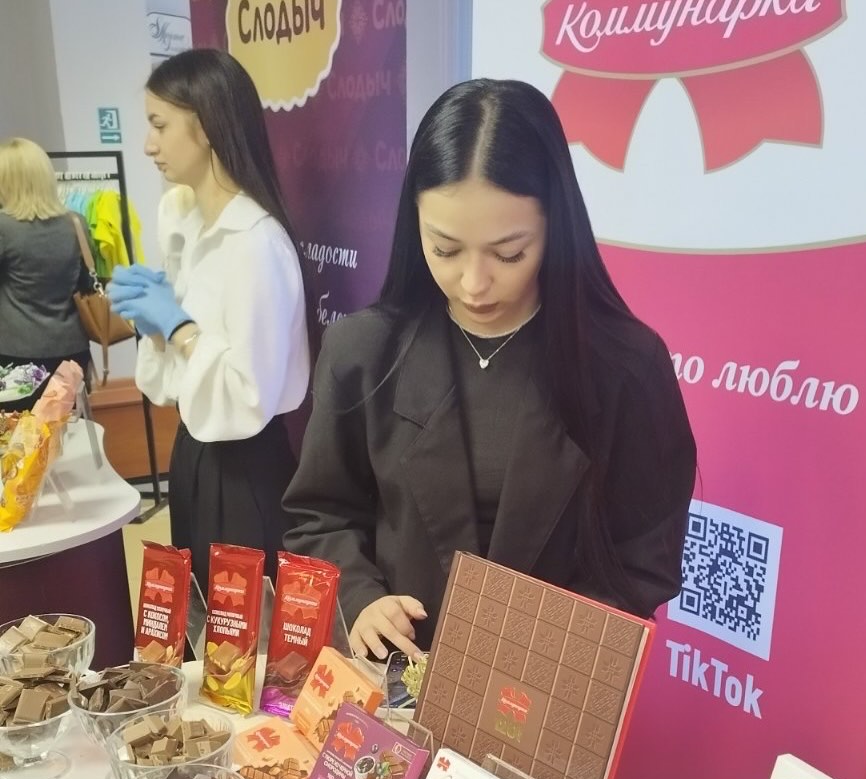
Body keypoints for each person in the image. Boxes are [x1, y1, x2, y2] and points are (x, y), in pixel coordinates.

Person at [283, 78, 697, 661]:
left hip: (546, 679)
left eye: (509, 253)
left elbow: (644, 555)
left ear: (556, 225)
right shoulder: (363, 350)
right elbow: (320, 515)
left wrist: (551, 644)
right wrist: (358, 597)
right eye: (445, 249)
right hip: (394, 675)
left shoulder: (625, 366)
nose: (474, 284)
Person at [109, 48, 310, 595]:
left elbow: (248, 395)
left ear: (205, 124)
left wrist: (177, 326)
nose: (148, 145)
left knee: (246, 628)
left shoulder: (255, 243)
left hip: (244, 471)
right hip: (195, 455)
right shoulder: (194, 228)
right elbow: (171, 384)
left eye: (159, 125)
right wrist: (155, 326)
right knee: (199, 616)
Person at [0, 138, 91, 408]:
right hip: (72, 350)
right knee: (68, 426)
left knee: (18, 430)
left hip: (17, 354)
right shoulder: (76, 223)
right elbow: (85, 284)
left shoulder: (4, 227)